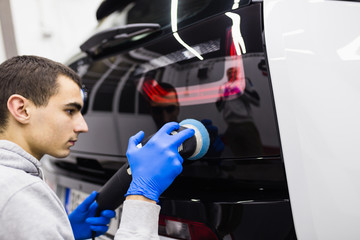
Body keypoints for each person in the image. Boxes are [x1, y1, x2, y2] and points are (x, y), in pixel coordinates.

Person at [0, 55, 194, 239]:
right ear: (21, 109)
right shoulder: (19, 195)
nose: (83, 126)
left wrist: (64, 233)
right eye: (70, 111)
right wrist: (142, 197)